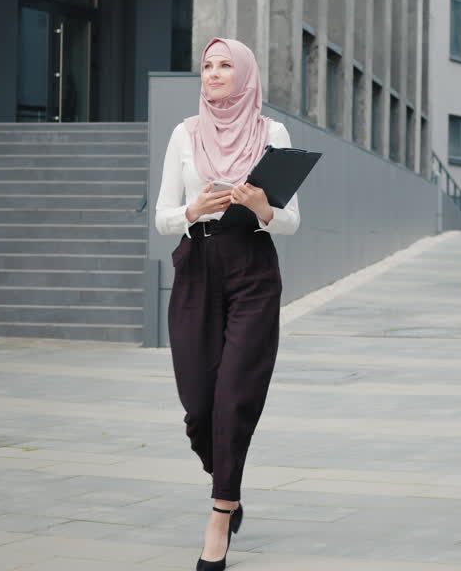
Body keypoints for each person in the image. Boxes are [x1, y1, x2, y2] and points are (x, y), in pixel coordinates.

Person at [154, 37, 301, 570]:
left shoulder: (273, 133)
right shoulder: (185, 134)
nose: (213, 74)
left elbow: (291, 221)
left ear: (245, 75)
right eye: (207, 66)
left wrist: (263, 206)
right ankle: (227, 476)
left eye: (224, 66)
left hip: (253, 269)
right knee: (199, 406)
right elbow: (163, 215)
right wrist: (193, 208)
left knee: (234, 396)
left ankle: (221, 512)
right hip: (197, 265)